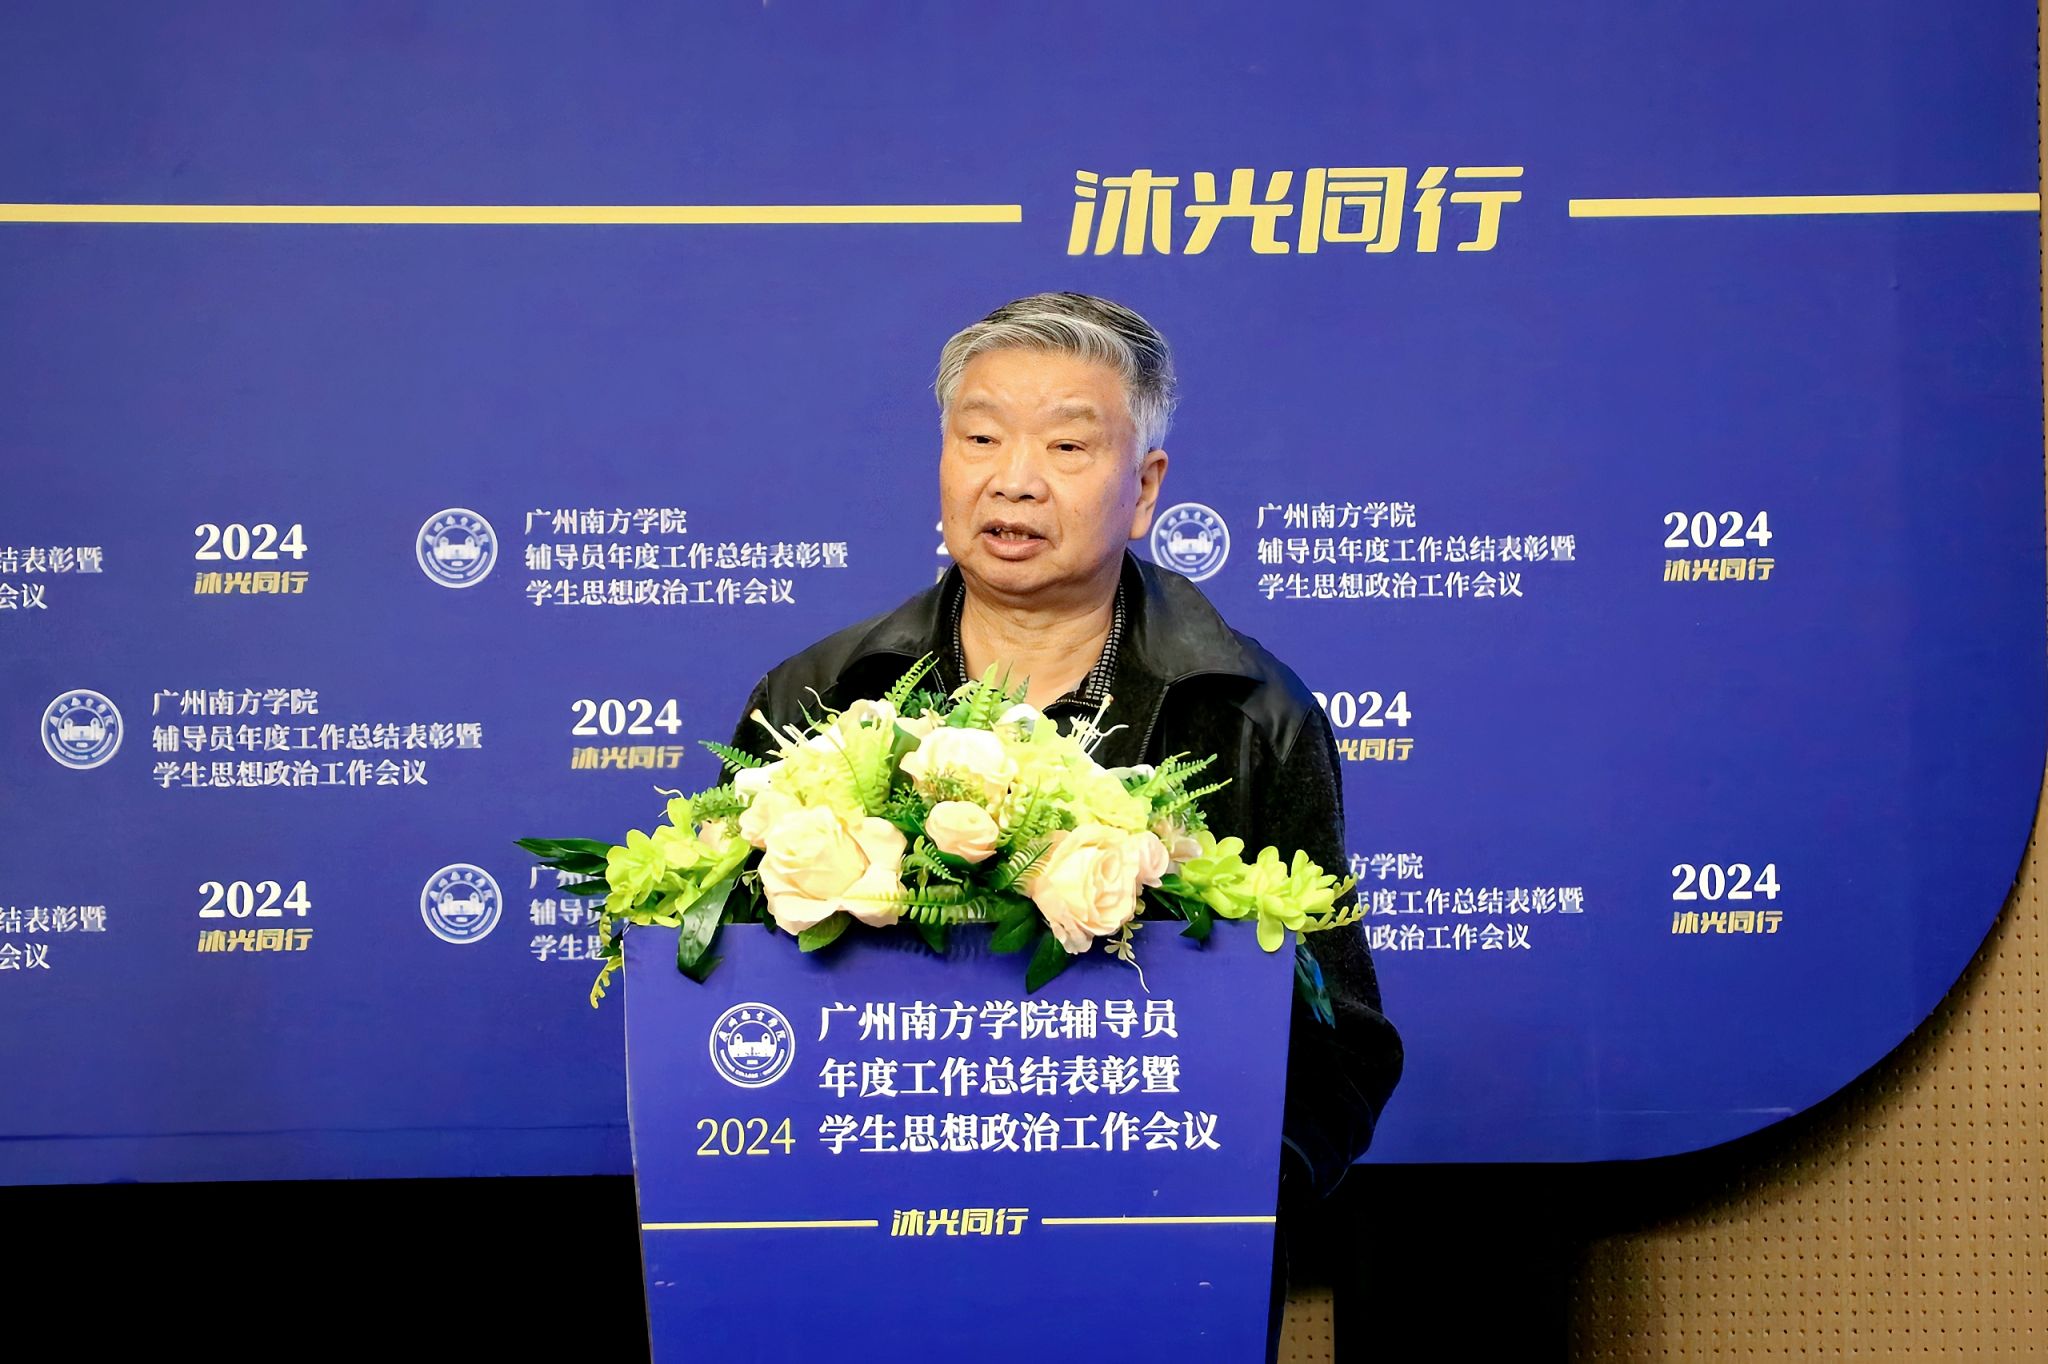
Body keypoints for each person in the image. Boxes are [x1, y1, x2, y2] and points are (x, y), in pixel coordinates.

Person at [727, 291, 1403, 1355]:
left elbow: (1341, 1040)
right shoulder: (820, 694)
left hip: (1144, 1267)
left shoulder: (1247, 714)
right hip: (872, 1250)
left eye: (1067, 444)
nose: (1014, 479)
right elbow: (724, 989)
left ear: (1144, 489)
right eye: (981, 437)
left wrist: (1211, 1179)